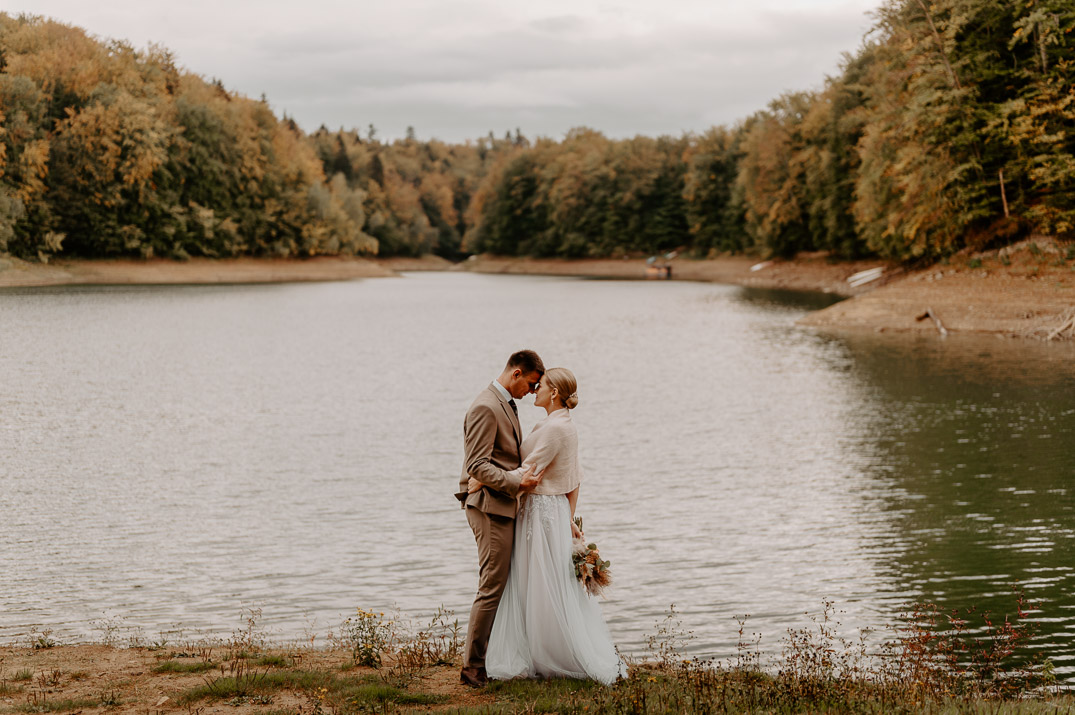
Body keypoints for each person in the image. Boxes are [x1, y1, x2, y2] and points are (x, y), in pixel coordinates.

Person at [467, 367, 626, 685]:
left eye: (540, 386)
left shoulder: (556, 428)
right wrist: (568, 517)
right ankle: (537, 647)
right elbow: (574, 477)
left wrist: (479, 480)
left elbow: (528, 471)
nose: (534, 390)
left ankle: (551, 652)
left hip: (540, 512)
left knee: (541, 581)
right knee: (540, 579)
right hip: (547, 510)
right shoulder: (558, 424)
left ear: (554, 393)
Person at [456, 350, 546, 688]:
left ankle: (492, 658)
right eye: (532, 384)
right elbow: (476, 465)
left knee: (498, 583)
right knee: (491, 585)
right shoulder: (486, 406)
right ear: (516, 373)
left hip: (501, 504)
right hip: (489, 507)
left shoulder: (504, 403)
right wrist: (516, 482)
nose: (532, 392)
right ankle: (472, 668)